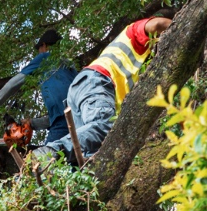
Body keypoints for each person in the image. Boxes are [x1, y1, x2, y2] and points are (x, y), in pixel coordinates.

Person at [48, 13, 173, 163]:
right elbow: (158, 24)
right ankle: (49, 153)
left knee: (90, 151)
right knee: (104, 125)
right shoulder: (133, 34)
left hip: (82, 91)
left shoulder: (144, 69)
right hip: (96, 81)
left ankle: (53, 169)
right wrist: (180, 29)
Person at [0, 27, 77, 144]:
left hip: (64, 121)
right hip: (80, 116)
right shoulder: (71, 65)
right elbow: (57, 117)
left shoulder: (44, 57)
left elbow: (12, 84)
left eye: (39, 49)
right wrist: (31, 123)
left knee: (45, 159)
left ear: (44, 46)